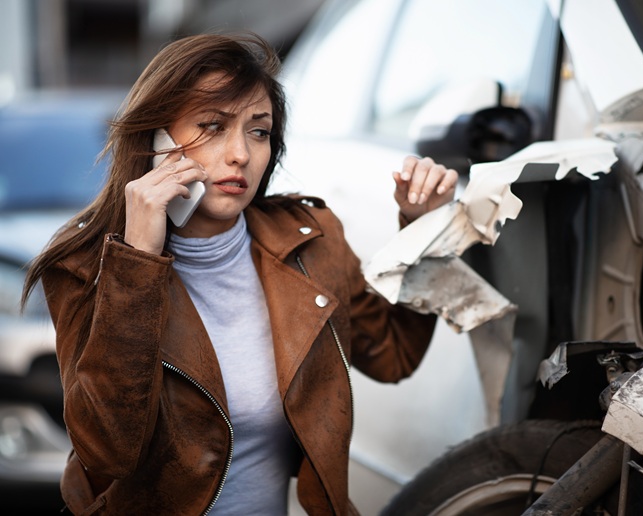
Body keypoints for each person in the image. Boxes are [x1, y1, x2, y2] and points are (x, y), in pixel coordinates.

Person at [22, 33, 457, 515]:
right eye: (212, 126)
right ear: (157, 141)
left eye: (258, 131)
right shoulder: (86, 265)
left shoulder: (310, 241)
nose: (240, 155)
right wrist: (138, 260)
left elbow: (394, 355)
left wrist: (422, 230)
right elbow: (108, 450)